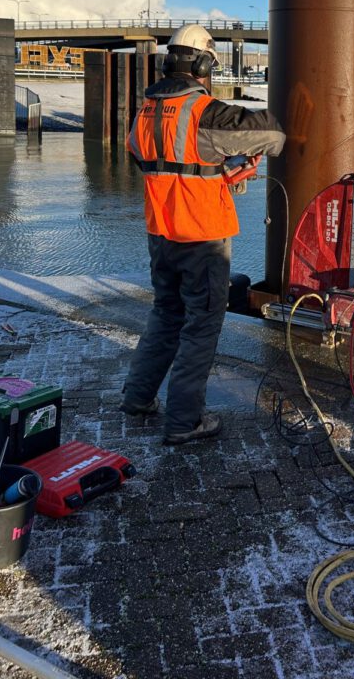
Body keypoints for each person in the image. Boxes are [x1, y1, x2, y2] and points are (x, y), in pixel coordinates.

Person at [121, 24, 285, 445]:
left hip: (161, 233)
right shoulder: (205, 111)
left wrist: (214, 171)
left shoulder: (145, 111)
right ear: (204, 64)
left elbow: (149, 159)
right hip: (204, 238)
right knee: (201, 327)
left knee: (166, 314)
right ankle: (183, 421)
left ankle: (138, 398)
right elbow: (272, 135)